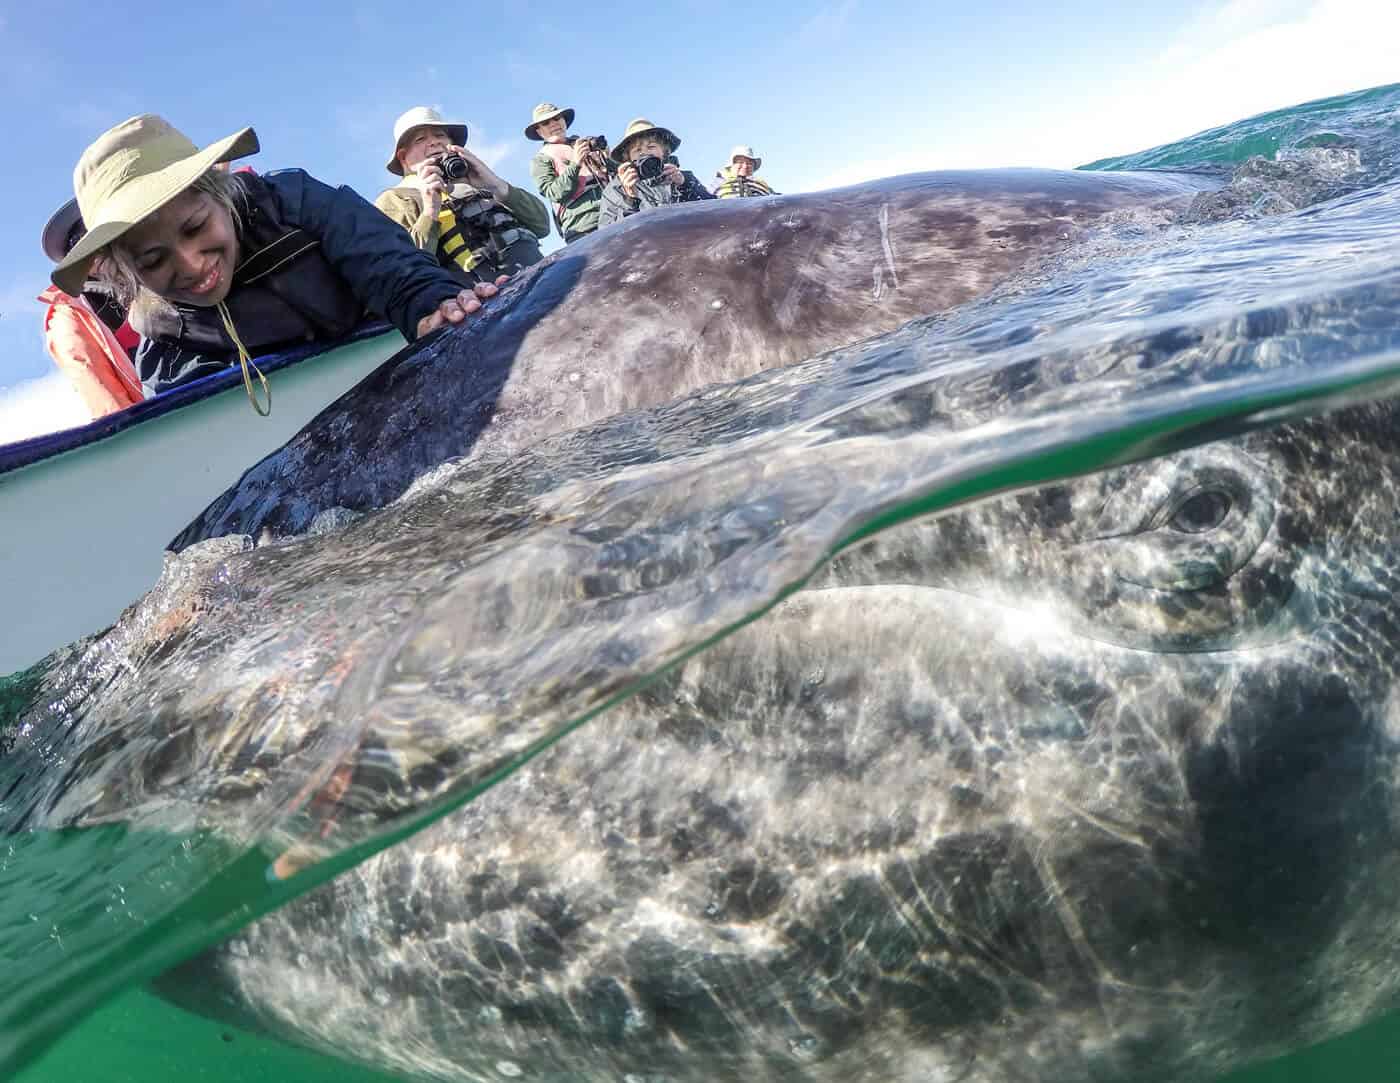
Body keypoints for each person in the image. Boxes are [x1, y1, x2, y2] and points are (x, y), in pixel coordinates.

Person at [52, 114, 498, 401]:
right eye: (151, 261)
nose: (190, 265)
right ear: (128, 273)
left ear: (222, 194)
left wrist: (428, 304)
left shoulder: (295, 199)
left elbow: (383, 259)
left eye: (195, 227)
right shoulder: (162, 341)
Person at [376, 106, 550, 284]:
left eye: (440, 135)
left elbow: (542, 226)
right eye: (420, 139)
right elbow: (400, 274)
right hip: (482, 304)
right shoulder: (395, 198)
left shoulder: (478, 182)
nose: (435, 142)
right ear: (403, 157)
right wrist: (430, 211)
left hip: (543, 279)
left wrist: (496, 185)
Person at [37, 198, 144, 417]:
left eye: (98, 234)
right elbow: (105, 400)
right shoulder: (69, 319)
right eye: (81, 243)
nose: (97, 250)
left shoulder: (153, 268)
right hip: (160, 412)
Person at [597, 118, 714, 228]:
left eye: (651, 146)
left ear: (664, 151)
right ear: (628, 158)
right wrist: (630, 200)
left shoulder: (685, 178)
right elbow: (608, 236)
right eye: (637, 150)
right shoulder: (614, 190)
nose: (644, 153)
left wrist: (685, 185)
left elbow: (714, 211)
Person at [526, 102, 611, 244]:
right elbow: (554, 193)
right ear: (539, 132)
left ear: (564, 121)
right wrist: (576, 163)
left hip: (615, 212)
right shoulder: (540, 160)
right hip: (584, 228)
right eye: (546, 123)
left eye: (557, 118)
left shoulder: (584, 144)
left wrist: (607, 158)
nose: (554, 124)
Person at [714, 145, 778, 199]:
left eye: (749, 163)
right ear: (731, 165)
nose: (745, 166)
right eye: (740, 162)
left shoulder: (766, 187)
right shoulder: (718, 182)